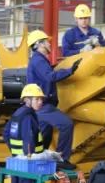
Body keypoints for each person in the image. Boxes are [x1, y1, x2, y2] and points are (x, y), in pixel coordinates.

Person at [26, 30, 79, 164]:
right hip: (42, 105)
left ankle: (35, 162)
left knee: (44, 137)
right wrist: (70, 70)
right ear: (39, 44)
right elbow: (50, 76)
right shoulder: (38, 60)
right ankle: (62, 160)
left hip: (40, 105)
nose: (50, 44)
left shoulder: (39, 60)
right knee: (66, 124)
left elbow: (47, 73)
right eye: (47, 42)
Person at [3, 83, 48, 183]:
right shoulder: (28, 116)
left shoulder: (18, 114)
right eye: (37, 99)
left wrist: (16, 153)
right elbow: (29, 141)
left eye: (41, 99)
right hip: (28, 166)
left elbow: (6, 133)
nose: (40, 102)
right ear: (27, 100)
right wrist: (32, 157)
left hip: (17, 163)